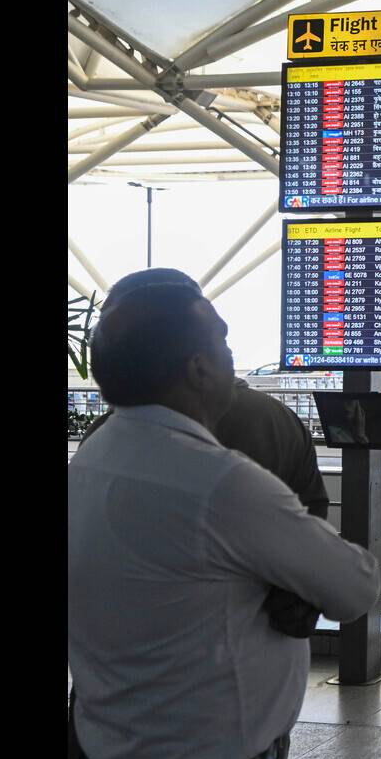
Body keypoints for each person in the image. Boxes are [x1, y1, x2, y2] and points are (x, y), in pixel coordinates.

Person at [69, 283, 381, 759]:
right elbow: (354, 587)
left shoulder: (88, 463)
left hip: (103, 753)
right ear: (198, 369)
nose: (232, 355)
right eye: (223, 340)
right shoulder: (222, 483)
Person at [80, 267, 331, 638]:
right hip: (256, 642)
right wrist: (299, 593)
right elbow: (316, 522)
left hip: (128, 647)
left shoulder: (102, 442)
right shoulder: (277, 420)